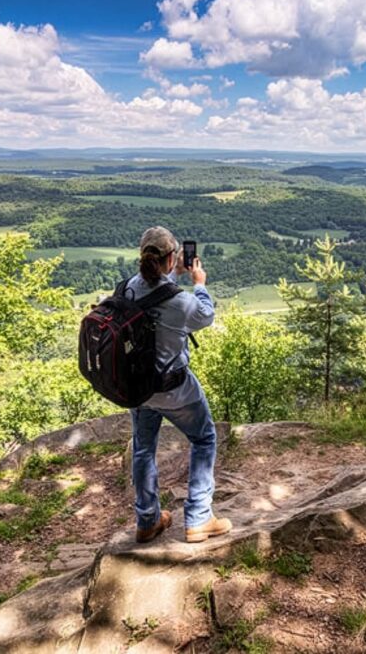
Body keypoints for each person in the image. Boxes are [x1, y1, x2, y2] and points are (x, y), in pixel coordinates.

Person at [125, 226, 232, 544]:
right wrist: (199, 284)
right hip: (175, 390)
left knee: (143, 448)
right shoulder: (181, 302)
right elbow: (206, 315)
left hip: (140, 389)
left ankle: (147, 520)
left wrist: (172, 274)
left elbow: (155, 289)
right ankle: (199, 518)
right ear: (170, 258)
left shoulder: (130, 289)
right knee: (204, 438)